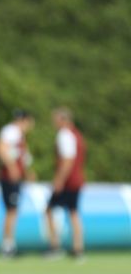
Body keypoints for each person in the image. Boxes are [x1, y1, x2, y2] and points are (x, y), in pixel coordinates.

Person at [0, 109, 35, 257]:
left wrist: (26, 172)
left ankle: (9, 243)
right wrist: (12, 168)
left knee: (13, 210)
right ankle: (7, 246)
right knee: (12, 210)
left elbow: (20, 157)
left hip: (15, 178)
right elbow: (0, 147)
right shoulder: (12, 131)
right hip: (10, 178)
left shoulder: (18, 135)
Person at [45, 107, 85, 259]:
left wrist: (59, 180)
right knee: (73, 212)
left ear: (63, 120)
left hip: (68, 181)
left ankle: (55, 245)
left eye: (55, 119)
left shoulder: (64, 135)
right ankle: (78, 247)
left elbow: (68, 161)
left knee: (48, 210)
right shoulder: (76, 135)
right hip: (76, 180)